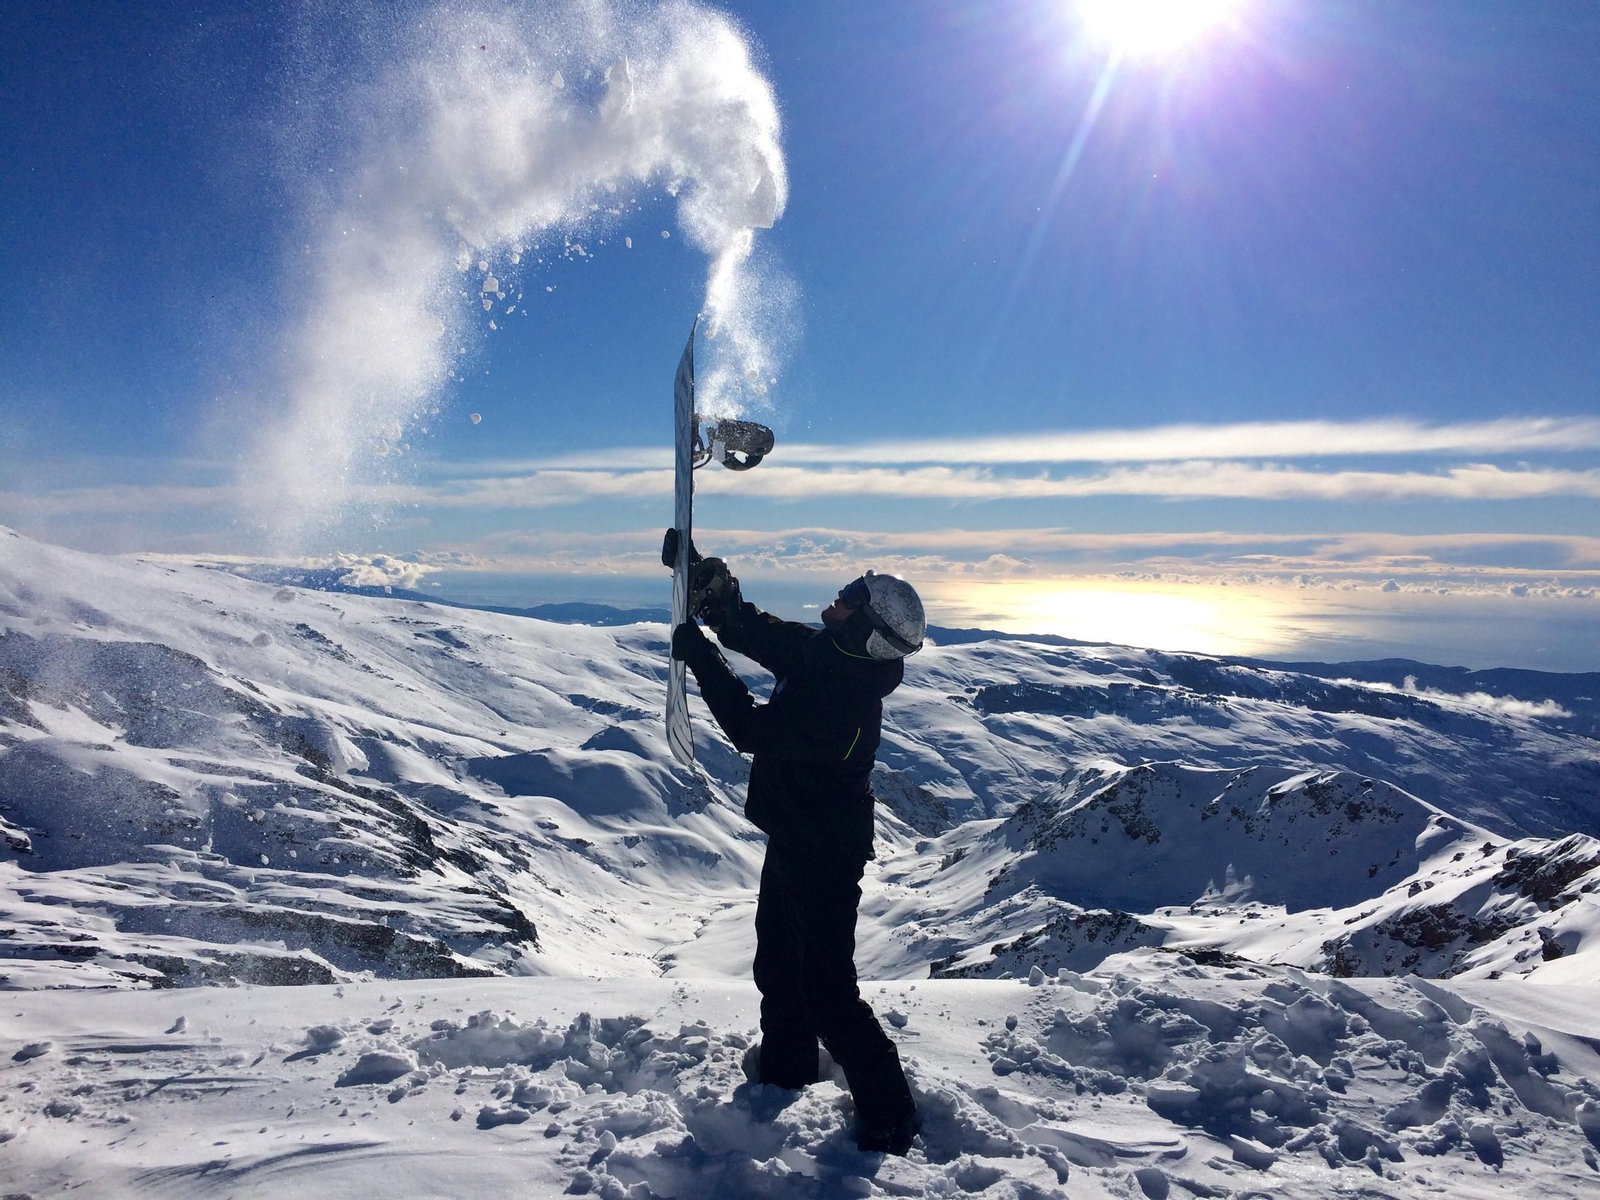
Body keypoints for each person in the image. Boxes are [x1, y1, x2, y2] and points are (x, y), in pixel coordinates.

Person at [662, 530, 926, 1156]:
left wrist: (701, 659)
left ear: (866, 628)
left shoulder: (845, 703)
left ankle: (891, 1118)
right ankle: (785, 1073)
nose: (838, 596)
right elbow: (754, 631)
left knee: (828, 992)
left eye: (852, 596)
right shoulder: (828, 652)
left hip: (826, 856)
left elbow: (753, 730)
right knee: (779, 968)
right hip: (794, 836)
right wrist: (703, 580)